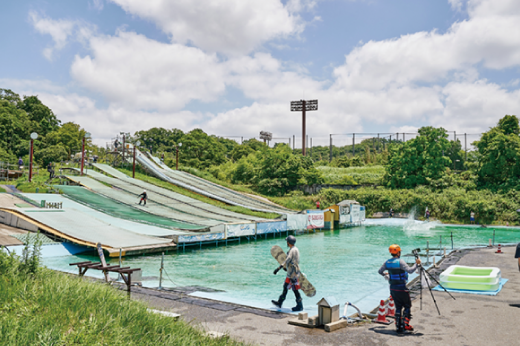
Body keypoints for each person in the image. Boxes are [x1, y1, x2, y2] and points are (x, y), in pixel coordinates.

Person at [379, 244, 421, 333]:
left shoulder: (387, 262)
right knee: (407, 305)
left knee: (398, 306)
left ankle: (398, 326)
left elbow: (380, 271)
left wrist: (386, 274)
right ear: (398, 252)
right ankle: (406, 324)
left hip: (393, 288)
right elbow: (410, 270)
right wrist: (416, 264)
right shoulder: (400, 262)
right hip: (402, 287)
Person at [271, 235, 303, 312]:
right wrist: (286, 268)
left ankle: (300, 306)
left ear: (288, 243)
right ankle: (280, 302)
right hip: (291, 272)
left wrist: (278, 268)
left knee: (295, 290)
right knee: (285, 287)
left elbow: (287, 260)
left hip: (293, 274)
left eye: (287, 242)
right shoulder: (295, 249)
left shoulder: (292, 250)